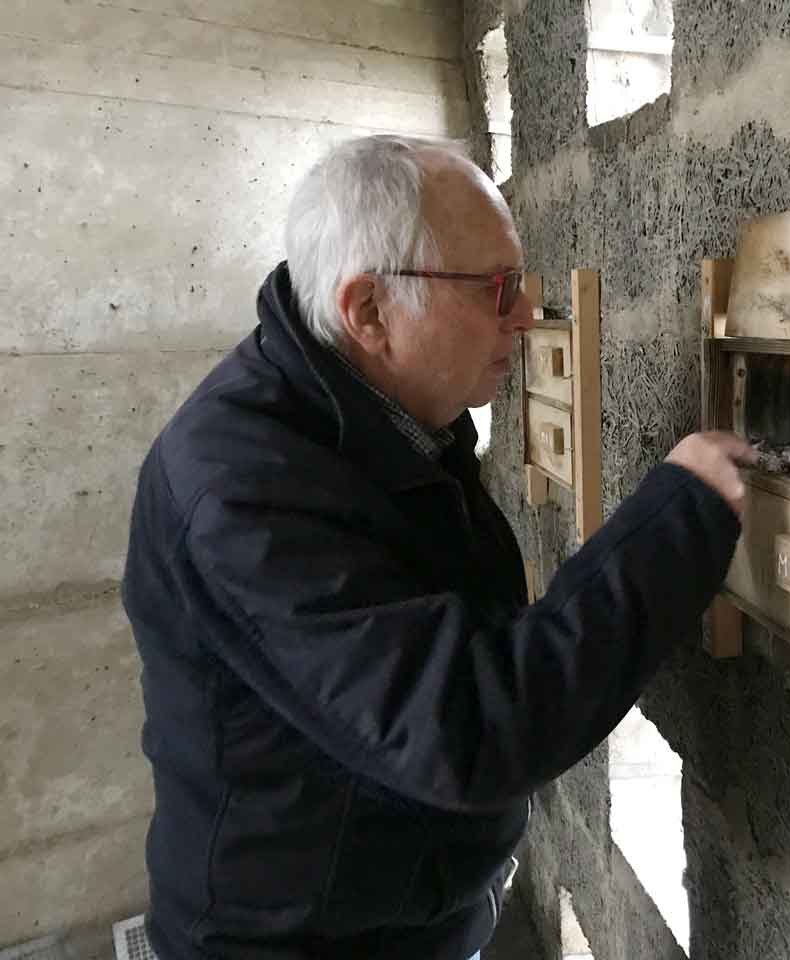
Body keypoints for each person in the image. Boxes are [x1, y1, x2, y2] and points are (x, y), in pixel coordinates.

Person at [121, 134, 754, 960]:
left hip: (405, 910)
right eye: (496, 289)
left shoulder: (378, 409)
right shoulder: (243, 491)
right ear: (371, 312)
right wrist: (683, 515)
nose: (526, 315)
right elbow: (470, 725)